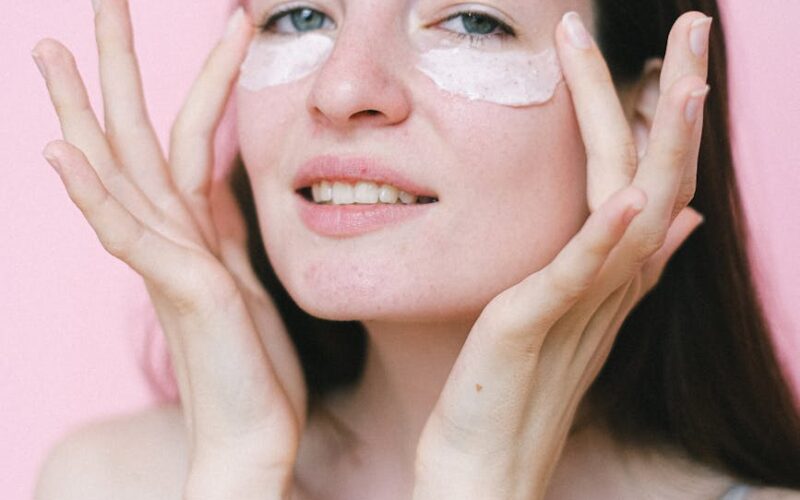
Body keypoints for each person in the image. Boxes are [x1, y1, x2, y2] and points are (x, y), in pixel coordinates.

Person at [31, 0, 800, 498]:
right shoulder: (110, 482)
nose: (341, 90)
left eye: (471, 20)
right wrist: (238, 475)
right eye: (300, 17)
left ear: (647, 126)